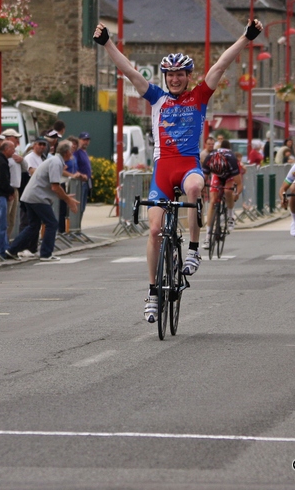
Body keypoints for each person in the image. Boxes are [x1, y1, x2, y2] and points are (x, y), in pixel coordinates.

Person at [94, 17, 263, 322]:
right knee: (156, 230)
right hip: (163, 169)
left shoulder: (198, 96)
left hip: (188, 166)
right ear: (165, 77)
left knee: (196, 189)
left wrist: (245, 38)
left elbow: (220, 66)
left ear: (188, 76)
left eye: (179, 74)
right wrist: (107, 43)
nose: (174, 79)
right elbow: (129, 71)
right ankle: (152, 293)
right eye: (169, 74)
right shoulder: (156, 98)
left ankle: (195, 249)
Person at [5, 140, 79, 261]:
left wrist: (65, 196)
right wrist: (68, 200)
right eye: (71, 151)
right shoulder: (56, 162)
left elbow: (54, 187)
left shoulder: (54, 160)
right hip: (37, 197)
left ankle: (12, 250)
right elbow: (55, 186)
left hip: (32, 196)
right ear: (66, 152)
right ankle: (46, 253)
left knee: (33, 225)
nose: (72, 154)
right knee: (52, 223)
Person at [201, 139, 242, 248]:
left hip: (229, 175)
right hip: (216, 176)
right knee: (213, 201)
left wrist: (236, 193)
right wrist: (202, 189)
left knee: (228, 191)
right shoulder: (209, 158)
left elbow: (239, 184)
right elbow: (203, 179)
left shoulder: (232, 160)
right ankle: (208, 236)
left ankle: (230, 216)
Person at [74, 132, 93, 213]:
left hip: (86, 182)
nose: (86, 142)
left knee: (83, 207)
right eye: (84, 140)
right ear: (79, 140)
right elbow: (74, 167)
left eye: (87, 140)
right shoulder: (77, 152)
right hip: (80, 182)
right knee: (80, 207)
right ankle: (76, 224)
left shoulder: (84, 152)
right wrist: (80, 175)